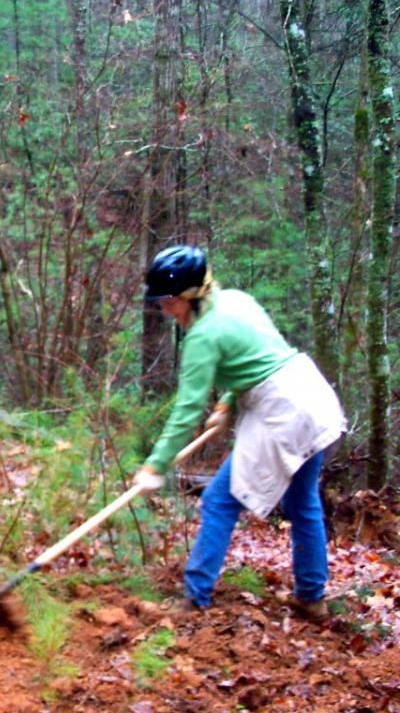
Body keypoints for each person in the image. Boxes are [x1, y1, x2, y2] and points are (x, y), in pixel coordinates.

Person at [134, 245, 346, 620]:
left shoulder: (202, 336)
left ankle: (194, 597)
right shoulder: (236, 301)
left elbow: (186, 410)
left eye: (169, 302)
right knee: (303, 503)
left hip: (282, 411)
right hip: (311, 396)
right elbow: (257, 354)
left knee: (219, 500)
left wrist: (156, 465)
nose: (165, 310)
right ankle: (311, 597)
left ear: (190, 295)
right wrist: (226, 405)